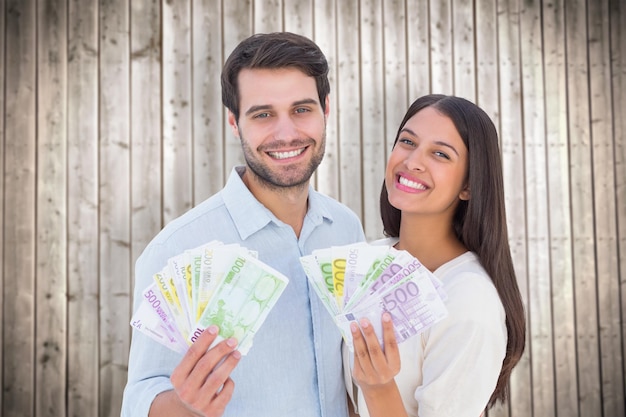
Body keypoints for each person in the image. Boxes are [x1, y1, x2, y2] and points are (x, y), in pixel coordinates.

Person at [121, 32, 366, 417]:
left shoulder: (346, 229)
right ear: (235, 123)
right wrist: (186, 404)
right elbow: (139, 398)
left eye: (301, 109)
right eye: (263, 114)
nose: (286, 133)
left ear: (326, 109)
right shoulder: (176, 251)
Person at [344, 94, 526, 417]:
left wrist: (378, 388)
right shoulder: (368, 260)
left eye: (440, 154)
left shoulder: (470, 301)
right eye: (407, 141)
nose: (413, 161)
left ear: (468, 184)